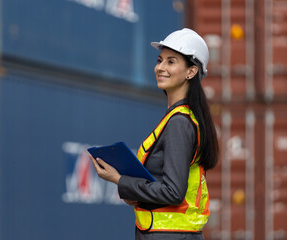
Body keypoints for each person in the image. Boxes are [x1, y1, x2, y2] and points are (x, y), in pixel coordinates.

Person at [90, 28, 219, 240]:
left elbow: (173, 193)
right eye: (159, 60)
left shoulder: (179, 123)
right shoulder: (180, 117)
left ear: (191, 72)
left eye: (171, 61)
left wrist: (120, 180)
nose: (160, 67)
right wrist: (136, 195)